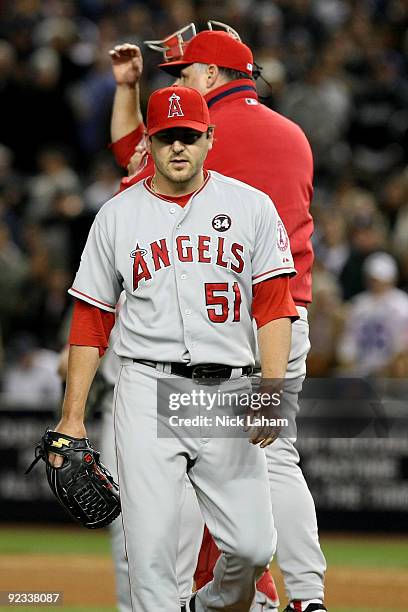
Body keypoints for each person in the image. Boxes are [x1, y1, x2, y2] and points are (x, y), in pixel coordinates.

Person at [49, 85, 299, 612]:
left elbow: (275, 306)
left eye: (189, 136)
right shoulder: (117, 216)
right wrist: (71, 417)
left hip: (229, 388)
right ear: (152, 142)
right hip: (146, 385)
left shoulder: (251, 207)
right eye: (166, 138)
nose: (178, 148)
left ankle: (204, 607)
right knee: (151, 556)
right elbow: (91, 321)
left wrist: (271, 390)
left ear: (210, 138)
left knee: (254, 547)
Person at [108, 27, 327, 612]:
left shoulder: (207, 134)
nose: (178, 83)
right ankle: (308, 597)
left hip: (220, 328)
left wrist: (127, 99)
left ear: (209, 77)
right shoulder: (293, 134)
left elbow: (131, 182)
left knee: (176, 469)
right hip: (287, 318)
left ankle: (184, 598)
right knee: (277, 458)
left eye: (183, 75)